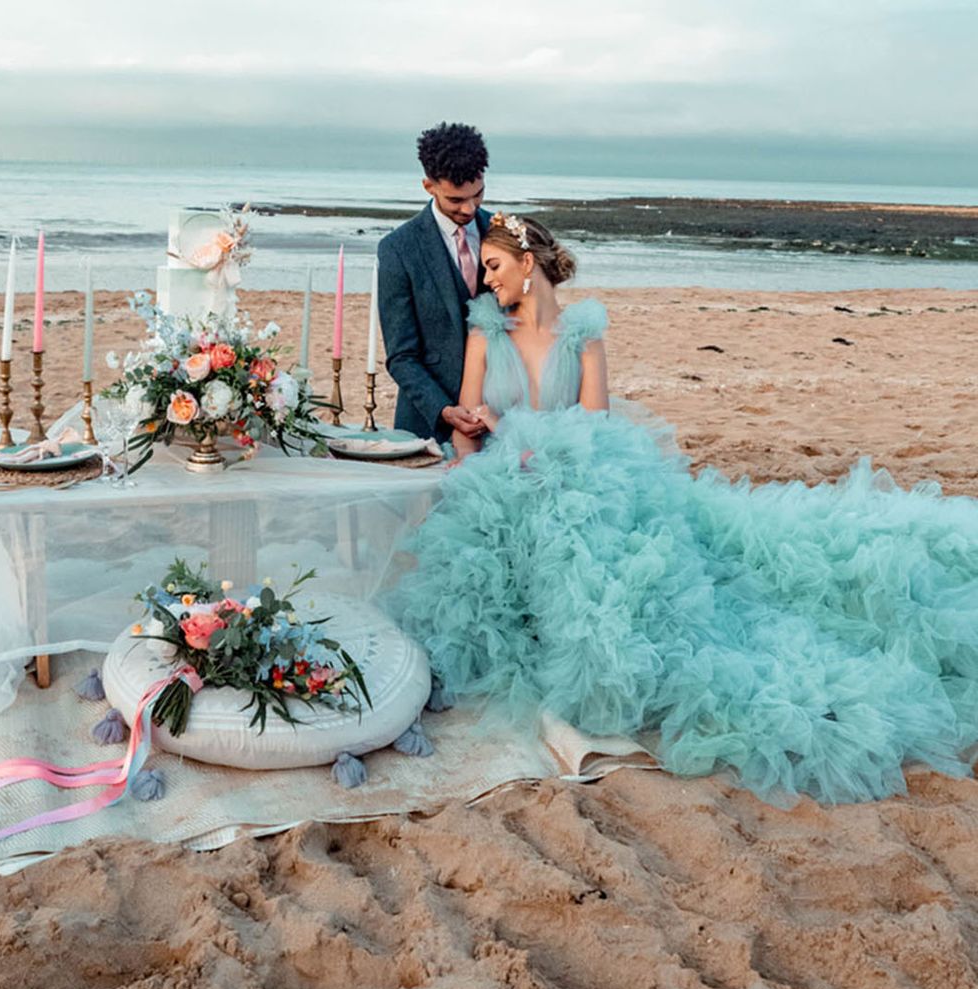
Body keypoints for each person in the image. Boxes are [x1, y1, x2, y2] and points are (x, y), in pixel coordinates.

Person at [388, 211, 978, 806]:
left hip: (578, 476)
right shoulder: (485, 331)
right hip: (502, 484)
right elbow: (467, 422)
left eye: (493, 267)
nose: (486, 280)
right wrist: (477, 444)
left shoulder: (583, 332)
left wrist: (525, 440)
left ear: (527, 261)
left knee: (600, 551)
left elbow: (596, 425)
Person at [377, 122, 493, 444]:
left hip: (500, 417)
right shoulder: (398, 249)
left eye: (478, 194)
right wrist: (444, 410)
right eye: (456, 200)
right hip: (427, 425)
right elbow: (401, 355)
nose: (470, 208)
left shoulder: (503, 232)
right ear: (428, 186)